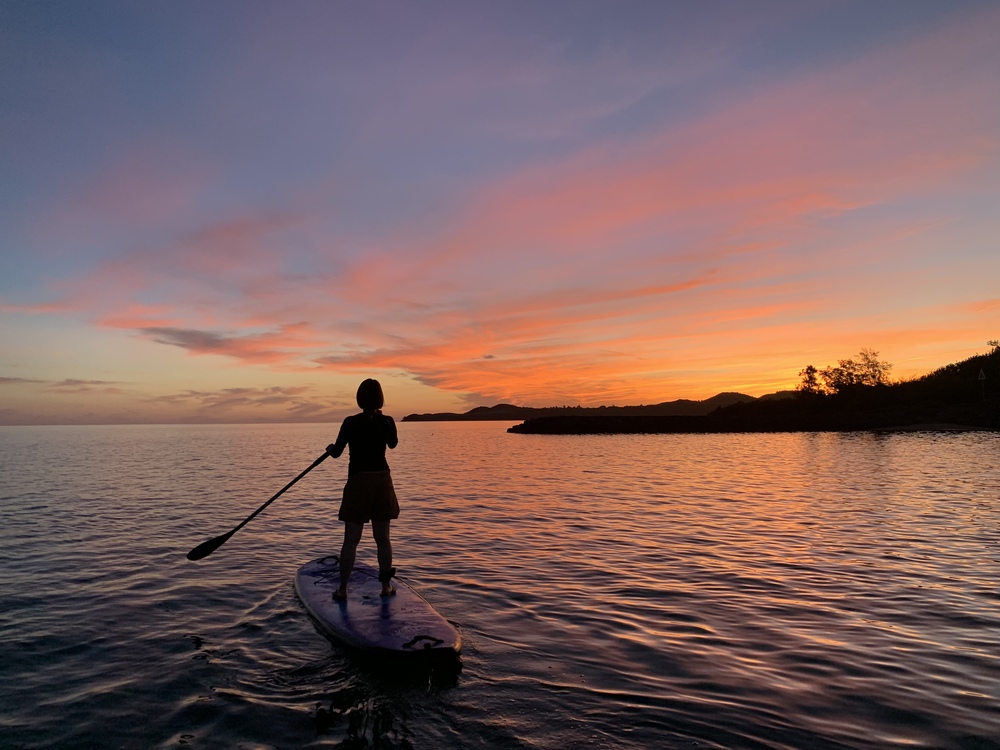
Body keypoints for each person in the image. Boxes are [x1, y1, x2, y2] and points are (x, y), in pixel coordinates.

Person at [326, 378, 400, 601]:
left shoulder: (350, 422)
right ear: (380, 399)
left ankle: (343, 589)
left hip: (358, 480)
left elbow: (337, 452)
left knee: (351, 540)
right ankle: (385, 586)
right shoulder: (387, 421)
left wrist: (330, 448)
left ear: (360, 399)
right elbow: (393, 443)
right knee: (383, 539)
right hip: (381, 480)